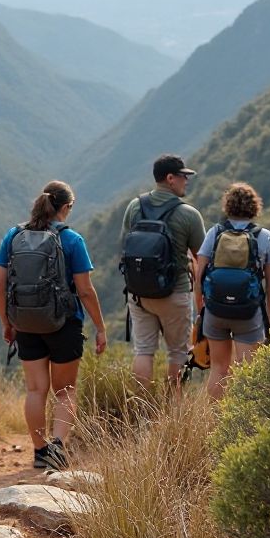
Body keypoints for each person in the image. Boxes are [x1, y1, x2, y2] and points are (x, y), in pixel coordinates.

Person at [0, 181, 106, 470]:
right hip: (64, 324)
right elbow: (85, 291)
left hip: (25, 323)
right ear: (65, 207)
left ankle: (40, 452)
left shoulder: (13, 235)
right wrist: (100, 327)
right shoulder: (72, 240)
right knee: (65, 390)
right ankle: (57, 447)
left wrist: (7, 322)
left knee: (35, 390)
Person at [120, 154, 206, 390]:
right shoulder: (189, 214)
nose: (186, 181)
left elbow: (125, 247)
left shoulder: (134, 206)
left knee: (143, 350)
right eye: (183, 176)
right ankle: (173, 406)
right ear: (170, 178)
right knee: (178, 352)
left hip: (139, 294)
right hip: (175, 293)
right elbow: (203, 259)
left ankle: (142, 404)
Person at [194, 182, 270, 399]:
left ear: (228, 206)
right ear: (254, 207)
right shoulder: (264, 236)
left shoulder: (214, 233)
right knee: (247, 371)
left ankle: (216, 417)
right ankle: (243, 418)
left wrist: (201, 311)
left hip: (215, 310)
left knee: (219, 369)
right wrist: (268, 316)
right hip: (248, 312)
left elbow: (199, 276)